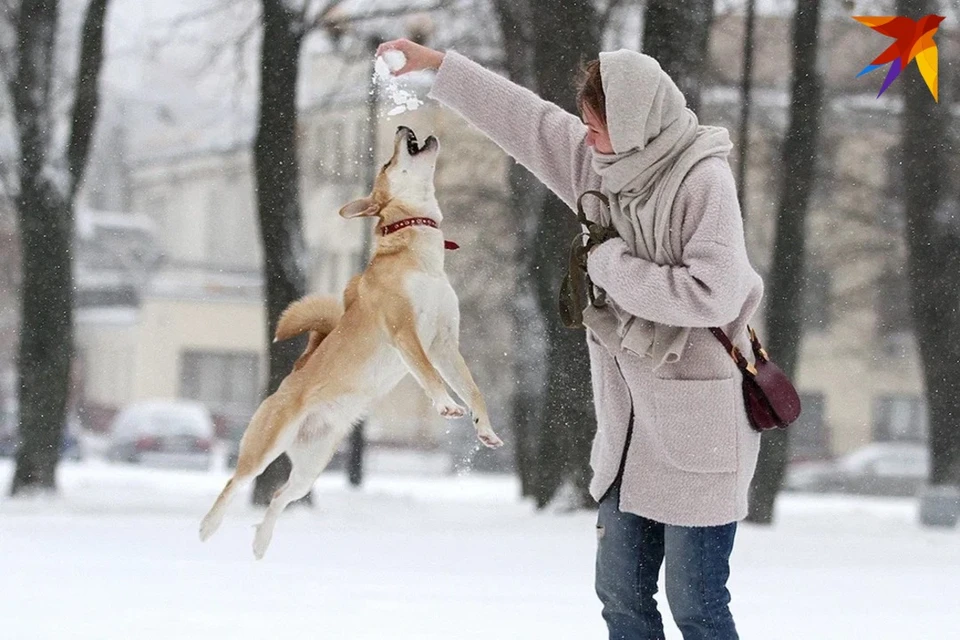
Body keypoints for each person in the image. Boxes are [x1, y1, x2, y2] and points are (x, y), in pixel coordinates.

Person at [378, 38, 765, 640]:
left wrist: (607, 265)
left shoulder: (701, 180)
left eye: (595, 126)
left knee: (697, 606)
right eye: (584, 126)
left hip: (699, 432)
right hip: (628, 435)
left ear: (635, 121)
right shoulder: (603, 166)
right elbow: (525, 121)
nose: (585, 138)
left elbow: (713, 293)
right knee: (621, 600)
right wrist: (439, 66)